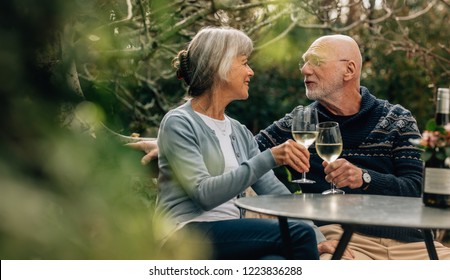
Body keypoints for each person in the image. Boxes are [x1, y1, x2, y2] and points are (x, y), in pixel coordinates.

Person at [130, 34, 450, 260]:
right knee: (306, 251)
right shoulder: (298, 122)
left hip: (411, 240)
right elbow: (238, 159)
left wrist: (365, 179)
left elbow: (417, 189)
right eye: (303, 62)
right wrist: (166, 144)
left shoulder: (397, 119)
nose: (304, 70)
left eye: (316, 62)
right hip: (342, 235)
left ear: (349, 70)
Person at [151, 26, 322, 260]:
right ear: (219, 66)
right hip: (185, 236)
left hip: (231, 237)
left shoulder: (239, 132)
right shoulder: (178, 122)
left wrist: (320, 238)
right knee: (298, 235)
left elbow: (274, 193)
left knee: (276, 262)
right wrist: (270, 157)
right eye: (244, 63)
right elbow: (204, 195)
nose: (250, 72)